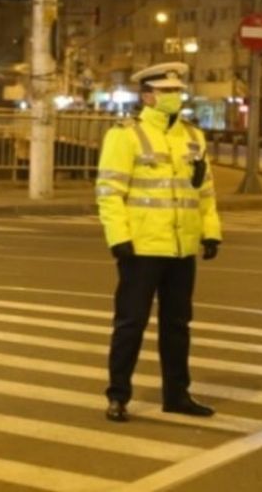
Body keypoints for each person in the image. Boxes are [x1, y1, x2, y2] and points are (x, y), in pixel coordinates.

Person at [95, 61, 222, 423]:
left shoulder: (193, 137)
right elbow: (109, 191)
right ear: (148, 95)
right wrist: (118, 238)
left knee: (177, 325)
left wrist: (211, 231)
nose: (175, 96)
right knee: (130, 323)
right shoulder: (126, 134)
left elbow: (205, 192)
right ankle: (118, 396)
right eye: (167, 91)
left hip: (181, 248)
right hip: (141, 248)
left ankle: (177, 395)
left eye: (177, 90)